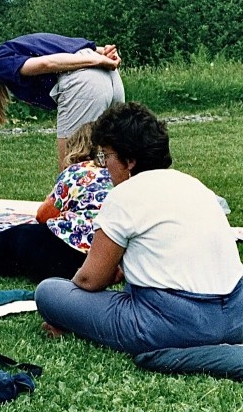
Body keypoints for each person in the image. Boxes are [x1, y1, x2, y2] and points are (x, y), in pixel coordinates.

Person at [35, 102, 243, 355]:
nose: (104, 166)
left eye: (106, 157)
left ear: (130, 160)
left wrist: (73, 301)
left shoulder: (124, 195)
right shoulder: (195, 185)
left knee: (49, 292)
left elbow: (90, 280)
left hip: (171, 324)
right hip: (236, 316)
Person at [0, 122, 112, 282]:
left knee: (19, 236)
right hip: (106, 255)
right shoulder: (119, 174)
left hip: (70, 250)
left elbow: (43, 215)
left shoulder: (76, 171)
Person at [0, 33, 124, 167]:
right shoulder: (15, 47)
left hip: (84, 82)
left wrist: (97, 59)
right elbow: (67, 46)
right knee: (114, 157)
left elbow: (46, 64)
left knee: (71, 167)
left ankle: (69, 213)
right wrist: (103, 53)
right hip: (110, 78)